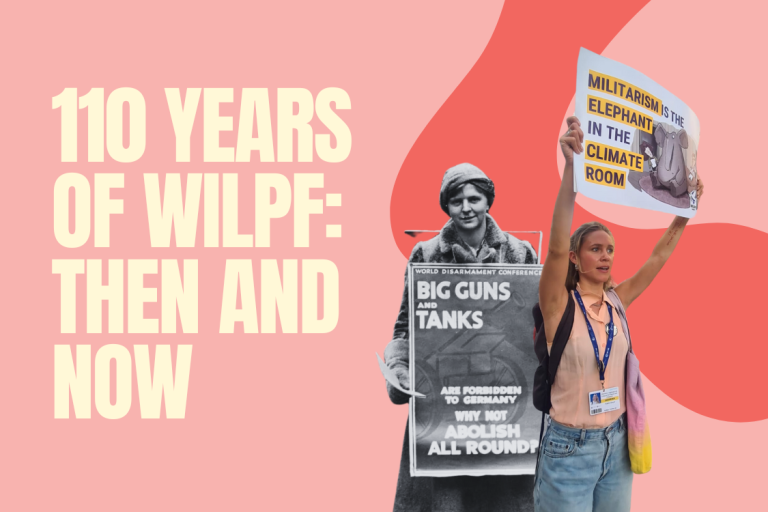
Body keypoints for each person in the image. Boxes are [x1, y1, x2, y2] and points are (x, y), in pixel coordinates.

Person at [535, 117, 704, 512]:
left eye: (610, 249)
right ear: (575, 258)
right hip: (568, 451)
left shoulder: (617, 301)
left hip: (617, 445)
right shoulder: (558, 305)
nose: (605, 256)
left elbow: (658, 257)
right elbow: (555, 248)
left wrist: (686, 209)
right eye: (595, 249)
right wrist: (571, 170)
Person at [384, 162, 537, 512]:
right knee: (447, 499)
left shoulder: (520, 252)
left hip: (503, 410)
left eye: (474, 199)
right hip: (444, 406)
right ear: (447, 206)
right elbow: (405, 327)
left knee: (504, 499)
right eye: (457, 201)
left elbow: (536, 325)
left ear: (488, 201)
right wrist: (399, 369)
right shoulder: (426, 254)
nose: (466, 208)